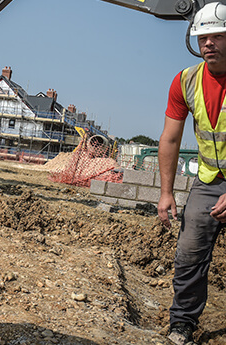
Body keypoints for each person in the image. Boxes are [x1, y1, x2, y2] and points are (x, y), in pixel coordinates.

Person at [158, 2, 226, 345]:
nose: (208, 43)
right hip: (210, 180)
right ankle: (182, 323)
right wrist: (166, 192)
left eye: (216, 35)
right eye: (202, 36)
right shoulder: (186, 81)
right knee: (188, 253)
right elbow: (170, 138)